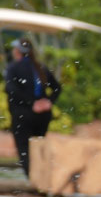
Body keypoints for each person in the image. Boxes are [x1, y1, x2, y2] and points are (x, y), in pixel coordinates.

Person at [4, 38, 61, 177]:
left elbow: (11, 89)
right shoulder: (40, 67)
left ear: (17, 52)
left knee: (24, 149)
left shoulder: (14, 68)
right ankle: (42, 176)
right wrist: (47, 102)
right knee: (38, 147)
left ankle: (32, 179)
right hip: (42, 116)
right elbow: (57, 88)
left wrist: (31, 103)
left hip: (23, 115)